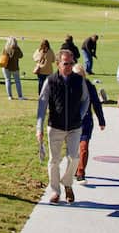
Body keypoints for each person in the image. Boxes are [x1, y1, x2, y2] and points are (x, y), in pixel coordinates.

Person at [36, 50, 89, 204]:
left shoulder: (79, 80)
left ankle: (67, 183)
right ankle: (55, 191)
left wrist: (80, 115)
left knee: (74, 158)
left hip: (74, 127)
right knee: (54, 161)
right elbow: (42, 106)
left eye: (71, 63)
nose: (69, 66)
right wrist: (39, 128)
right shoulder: (50, 81)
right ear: (58, 64)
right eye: (66, 63)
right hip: (55, 127)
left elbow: (86, 100)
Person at [72, 64, 106, 182]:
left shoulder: (90, 87)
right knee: (73, 148)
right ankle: (74, 167)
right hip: (72, 123)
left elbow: (96, 104)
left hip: (86, 122)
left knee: (83, 147)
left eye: (80, 76)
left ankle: (81, 171)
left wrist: (101, 120)